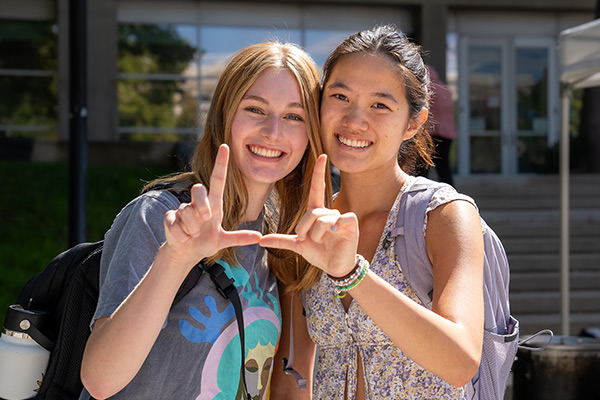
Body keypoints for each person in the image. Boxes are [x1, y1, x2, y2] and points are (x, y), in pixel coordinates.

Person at [79, 41, 331, 400]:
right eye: (255, 109)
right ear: (224, 117)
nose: (273, 131)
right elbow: (99, 381)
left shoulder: (282, 242)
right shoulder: (160, 217)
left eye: (294, 116)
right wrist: (176, 257)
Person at [262, 25, 486, 399]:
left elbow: (461, 360)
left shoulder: (443, 214)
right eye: (339, 96)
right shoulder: (311, 222)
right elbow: (292, 376)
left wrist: (351, 273)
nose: (353, 120)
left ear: (412, 123)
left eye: (380, 104)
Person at [424, 65, 457, 186]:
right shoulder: (445, 89)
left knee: (423, 166)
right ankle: (451, 191)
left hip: (433, 131)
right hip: (448, 132)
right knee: (444, 167)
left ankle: (418, 195)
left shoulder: (429, 89)